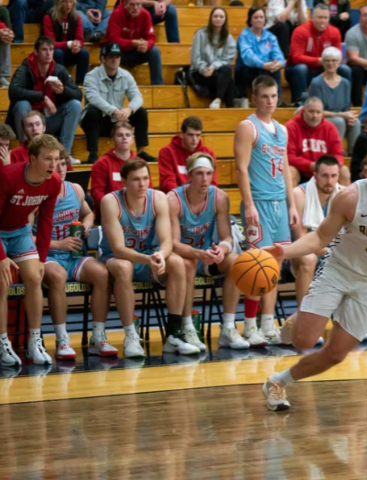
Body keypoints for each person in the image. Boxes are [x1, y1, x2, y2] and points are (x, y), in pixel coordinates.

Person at [261, 127, 367, 411]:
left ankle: (278, 381)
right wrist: (284, 252)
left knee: (336, 354)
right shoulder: (351, 197)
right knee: (303, 339)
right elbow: (321, 237)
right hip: (339, 271)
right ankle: (299, 320)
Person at [33, 153, 143, 359]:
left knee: (102, 273)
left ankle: (98, 336)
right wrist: (59, 244)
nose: (61, 169)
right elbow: (26, 235)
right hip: (47, 255)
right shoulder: (37, 193)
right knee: (57, 276)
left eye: (64, 164)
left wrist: (86, 225)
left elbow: (89, 213)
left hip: (73, 256)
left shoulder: (75, 189)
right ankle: (62, 339)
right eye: (56, 165)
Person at [100, 159, 198, 354]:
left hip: (147, 257)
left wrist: (160, 256)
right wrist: (149, 260)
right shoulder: (110, 201)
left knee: (178, 263)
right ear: (124, 181)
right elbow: (118, 249)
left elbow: (167, 241)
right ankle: (131, 337)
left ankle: (173, 335)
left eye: (145, 178)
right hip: (115, 258)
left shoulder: (159, 198)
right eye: (136, 180)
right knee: (124, 267)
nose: (142, 184)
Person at [234, 75, 299, 346]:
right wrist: (248, 204)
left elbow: (285, 170)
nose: (270, 101)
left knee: (276, 265)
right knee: (256, 266)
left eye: (274, 96)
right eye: (265, 96)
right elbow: (240, 168)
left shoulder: (282, 130)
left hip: (279, 205)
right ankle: (249, 326)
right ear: (255, 97)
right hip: (258, 203)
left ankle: (267, 323)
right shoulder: (247, 126)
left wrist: (292, 203)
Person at [169, 153, 251, 351]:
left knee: (236, 261)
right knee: (186, 263)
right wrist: (198, 254)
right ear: (189, 175)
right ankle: (188, 327)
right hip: (181, 257)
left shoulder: (220, 198)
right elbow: (171, 244)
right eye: (199, 173)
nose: (205, 179)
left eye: (208, 173)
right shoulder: (172, 199)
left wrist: (221, 250)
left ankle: (228, 328)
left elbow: (227, 238)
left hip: (205, 256)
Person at [0, 134, 62, 366]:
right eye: (48, 159)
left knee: (35, 277)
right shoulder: (7, 176)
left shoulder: (54, 182)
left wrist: (42, 259)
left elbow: (45, 222)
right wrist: (1, 257)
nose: (53, 164)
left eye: (56, 159)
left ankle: (34, 342)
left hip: (19, 232)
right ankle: (2, 342)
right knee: (2, 280)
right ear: (32, 159)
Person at [8, 37, 82, 158]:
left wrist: (63, 90)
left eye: (51, 49)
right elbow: (13, 91)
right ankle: (26, 153)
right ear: (36, 52)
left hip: (49, 120)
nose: (48, 53)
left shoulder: (59, 69)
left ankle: (63, 155)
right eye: (44, 49)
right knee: (22, 104)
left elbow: (78, 94)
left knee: (75, 105)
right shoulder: (25, 69)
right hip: (29, 122)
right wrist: (43, 97)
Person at [81, 42, 151, 165]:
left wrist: (129, 109)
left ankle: (141, 152)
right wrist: (114, 111)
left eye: (117, 56)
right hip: (98, 122)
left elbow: (137, 96)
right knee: (92, 113)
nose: (115, 60)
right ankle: (93, 154)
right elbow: (93, 98)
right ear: (103, 58)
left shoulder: (126, 75)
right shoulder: (91, 76)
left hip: (118, 121)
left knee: (141, 112)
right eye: (111, 56)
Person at [289, 155, 341, 309]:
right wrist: (332, 253)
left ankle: (352, 321)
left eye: (333, 176)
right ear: (315, 176)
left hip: (331, 251)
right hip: (299, 252)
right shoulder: (300, 194)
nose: (329, 181)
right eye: (325, 176)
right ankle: (302, 314)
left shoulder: (344, 194)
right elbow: (301, 239)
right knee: (308, 258)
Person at [286, 5, 351, 106]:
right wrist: (319, 61)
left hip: (324, 69)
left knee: (345, 69)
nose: (323, 21)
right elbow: (296, 57)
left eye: (325, 18)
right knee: (301, 69)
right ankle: (298, 103)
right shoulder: (300, 31)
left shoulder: (334, 32)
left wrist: (329, 62)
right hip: (299, 71)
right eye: (319, 17)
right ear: (311, 17)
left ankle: (346, 104)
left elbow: (339, 57)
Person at [285, 96, 349, 186]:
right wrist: (310, 165)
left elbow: (338, 154)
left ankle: (345, 200)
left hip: (325, 170)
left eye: (318, 112)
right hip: (300, 171)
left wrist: (329, 166)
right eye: (311, 111)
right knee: (290, 172)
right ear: (303, 111)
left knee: (344, 171)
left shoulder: (330, 128)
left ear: (322, 113)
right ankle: (291, 200)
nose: (314, 116)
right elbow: (289, 157)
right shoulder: (290, 127)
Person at [308, 47, 360, 155]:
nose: (330, 63)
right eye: (327, 60)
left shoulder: (345, 83)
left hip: (340, 116)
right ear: (323, 62)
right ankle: (335, 153)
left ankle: (353, 155)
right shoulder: (316, 83)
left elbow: (346, 108)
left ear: (339, 62)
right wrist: (341, 115)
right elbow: (315, 111)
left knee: (355, 122)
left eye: (334, 60)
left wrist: (349, 116)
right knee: (339, 121)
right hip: (322, 118)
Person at [91, 122, 150, 215]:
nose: (124, 138)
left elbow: (148, 189)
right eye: (120, 135)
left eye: (128, 135)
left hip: (138, 211)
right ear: (113, 139)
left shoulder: (141, 163)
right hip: (111, 212)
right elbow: (97, 193)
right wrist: (113, 209)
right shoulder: (101, 164)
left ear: (132, 140)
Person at [235, 6, 285, 107]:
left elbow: (278, 54)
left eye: (261, 17)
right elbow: (248, 56)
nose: (259, 20)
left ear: (265, 19)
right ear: (250, 20)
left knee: (275, 69)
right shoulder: (244, 35)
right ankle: (262, 101)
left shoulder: (270, 36)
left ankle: (277, 99)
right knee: (263, 71)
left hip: (266, 69)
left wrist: (279, 63)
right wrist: (263, 64)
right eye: (256, 17)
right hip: (246, 70)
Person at [104, 0, 163, 85]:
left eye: (138, 4)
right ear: (125, 4)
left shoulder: (145, 14)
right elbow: (114, 39)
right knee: (112, 48)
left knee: (155, 51)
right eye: (132, 4)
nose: (135, 8)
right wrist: (133, 43)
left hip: (136, 51)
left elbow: (151, 37)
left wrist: (146, 45)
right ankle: (110, 84)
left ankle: (158, 87)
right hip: (119, 53)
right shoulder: (116, 14)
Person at [191, 7, 236, 109]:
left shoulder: (229, 39)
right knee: (229, 80)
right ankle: (230, 108)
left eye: (221, 16)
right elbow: (195, 57)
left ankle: (218, 100)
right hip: (199, 72)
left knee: (227, 71)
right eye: (215, 16)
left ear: (225, 19)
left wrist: (213, 67)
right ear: (211, 18)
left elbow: (226, 60)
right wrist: (204, 69)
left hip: (216, 72)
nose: (218, 19)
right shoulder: (200, 34)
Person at [158, 116, 217, 193]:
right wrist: (184, 198)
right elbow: (167, 182)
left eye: (198, 135)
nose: (194, 139)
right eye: (190, 135)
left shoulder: (208, 153)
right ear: (181, 134)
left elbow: (212, 182)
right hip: (175, 198)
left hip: (200, 198)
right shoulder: (167, 152)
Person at [43, 0, 90, 85]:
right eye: (65, 2)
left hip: (70, 52)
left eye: (71, 2)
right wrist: (68, 44)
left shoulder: (76, 17)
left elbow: (80, 39)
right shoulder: (49, 17)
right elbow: (50, 43)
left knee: (84, 53)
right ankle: (60, 83)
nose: (68, 5)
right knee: (58, 53)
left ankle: (81, 84)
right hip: (54, 52)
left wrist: (77, 45)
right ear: (59, 3)